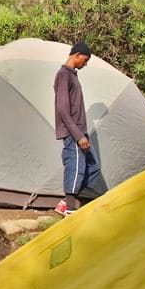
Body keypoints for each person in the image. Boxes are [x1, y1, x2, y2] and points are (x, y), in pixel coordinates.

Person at [53, 41, 101, 216]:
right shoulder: (63, 75)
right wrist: (78, 136)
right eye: (85, 60)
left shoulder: (72, 75)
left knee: (93, 167)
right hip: (73, 133)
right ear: (77, 55)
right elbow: (63, 110)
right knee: (75, 167)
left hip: (80, 131)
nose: (85, 64)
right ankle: (71, 209)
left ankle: (66, 202)